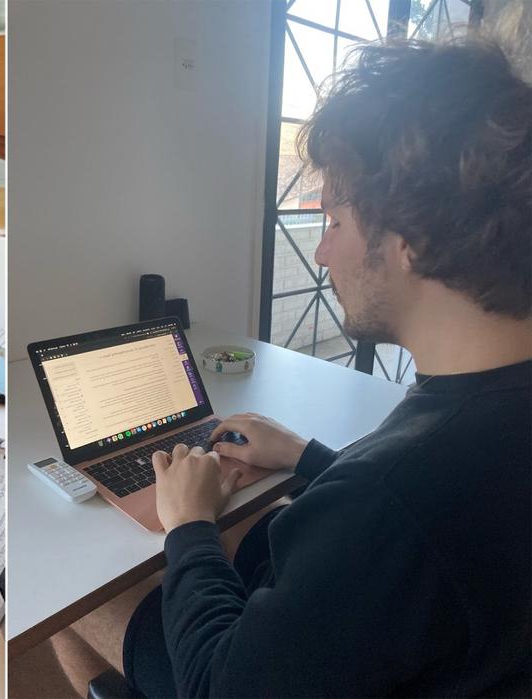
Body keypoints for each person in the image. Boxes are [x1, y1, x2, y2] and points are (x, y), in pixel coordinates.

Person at [128, 36, 531, 697]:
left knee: (92, 612)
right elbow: (418, 529)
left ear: (413, 242)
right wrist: (308, 455)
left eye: (335, 221)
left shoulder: (389, 498)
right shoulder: (482, 410)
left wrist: (192, 524)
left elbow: (219, 685)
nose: (321, 253)